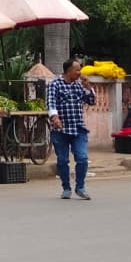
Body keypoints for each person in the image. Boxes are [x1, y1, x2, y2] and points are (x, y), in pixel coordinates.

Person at [48, 58, 96, 200]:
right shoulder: (55, 84)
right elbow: (50, 103)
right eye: (77, 70)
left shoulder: (79, 85)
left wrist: (89, 88)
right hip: (61, 130)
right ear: (69, 71)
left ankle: (80, 187)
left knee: (82, 158)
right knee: (62, 160)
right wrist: (55, 118)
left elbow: (91, 101)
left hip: (78, 128)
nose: (80, 73)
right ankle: (66, 187)